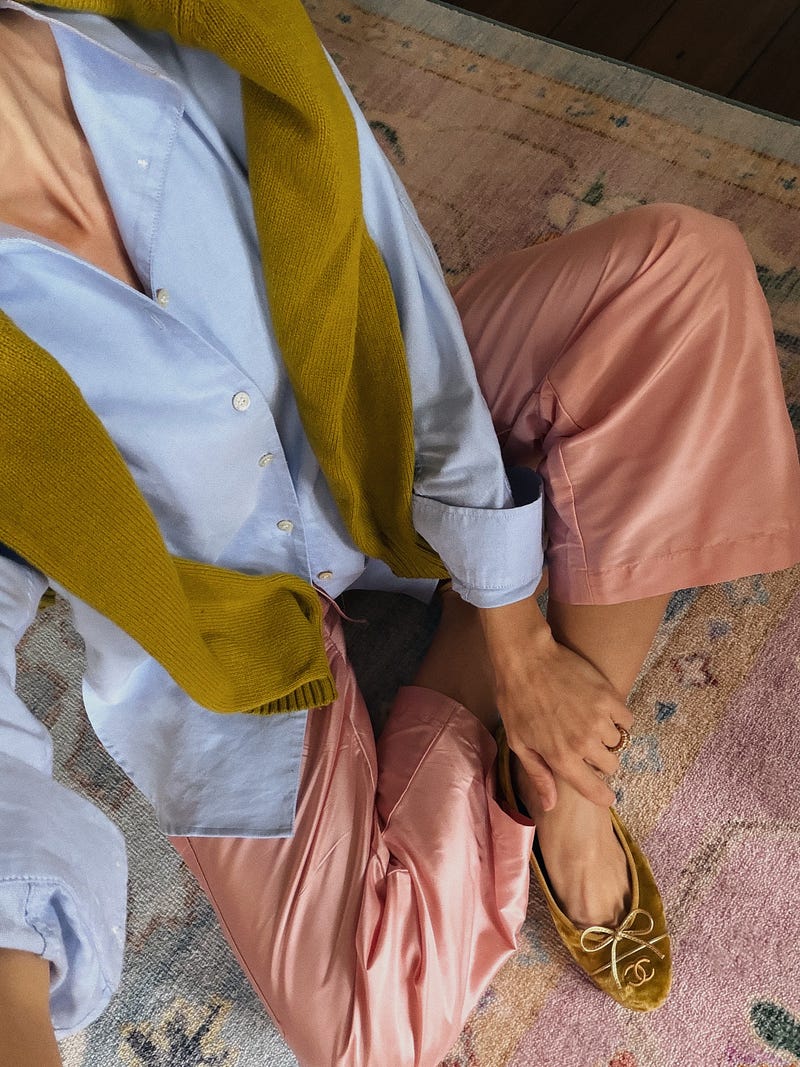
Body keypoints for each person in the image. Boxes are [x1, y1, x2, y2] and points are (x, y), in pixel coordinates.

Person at [1, 0, 799, 1064]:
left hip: (370, 432)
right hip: (214, 617)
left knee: (682, 274)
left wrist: (521, 644)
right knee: (369, 1030)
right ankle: (500, 632)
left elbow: (391, 285)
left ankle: (567, 788)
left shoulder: (191, 27)